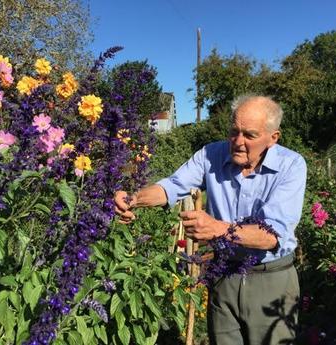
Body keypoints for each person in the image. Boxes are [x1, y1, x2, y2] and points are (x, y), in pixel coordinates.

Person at [114, 94, 307, 345]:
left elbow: (271, 235)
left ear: (273, 138)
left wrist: (217, 229)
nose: (238, 142)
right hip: (224, 274)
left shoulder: (291, 165)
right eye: (234, 131)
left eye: (249, 135)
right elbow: (171, 186)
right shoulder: (210, 155)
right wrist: (133, 199)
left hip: (270, 279)